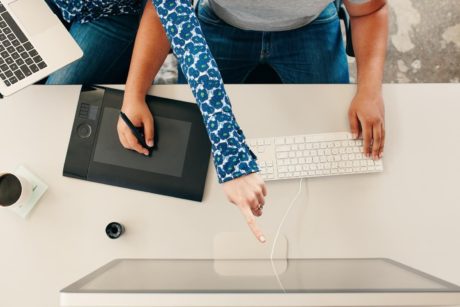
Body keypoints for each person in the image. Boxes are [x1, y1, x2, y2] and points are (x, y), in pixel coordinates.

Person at [117, 0, 388, 243]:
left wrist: (370, 91)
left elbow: (371, 10)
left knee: (340, 157)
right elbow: (166, 11)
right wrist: (134, 95)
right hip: (220, 24)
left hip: (310, 27)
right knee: (193, 155)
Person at [44, 0, 147, 84]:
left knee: (54, 95)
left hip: (111, 12)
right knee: (30, 74)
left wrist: (135, 94)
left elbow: (158, 10)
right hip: (57, 2)